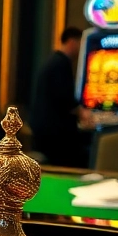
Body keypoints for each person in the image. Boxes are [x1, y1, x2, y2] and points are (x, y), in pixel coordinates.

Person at [28, 26, 87, 167]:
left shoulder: (53, 61)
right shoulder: (61, 64)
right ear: (72, 42)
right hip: (52, 134)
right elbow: (64, 98)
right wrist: (82, 112)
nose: (81, 49)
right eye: (80, 43)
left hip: (43, 129)